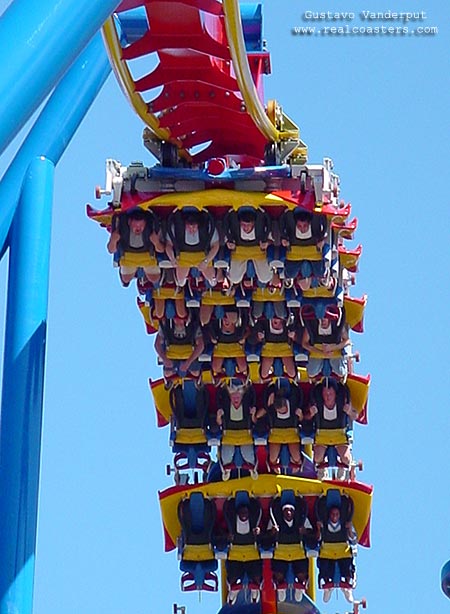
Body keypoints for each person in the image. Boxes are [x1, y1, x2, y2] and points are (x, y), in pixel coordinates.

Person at [304, 378, 358, 479]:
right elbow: (305, 418)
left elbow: (355, 416)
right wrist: (311, 414)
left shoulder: (342, 403)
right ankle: (322, 470)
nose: (328, 397)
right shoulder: (317, 404)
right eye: (325, 394)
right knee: (317, 457)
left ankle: (344, 469)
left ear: (335, 394)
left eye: (330, 394)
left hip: (339, 435)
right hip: (322, 435)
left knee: (346, 458)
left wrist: (349, 411)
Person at [269, 495, 313, 602]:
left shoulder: (301, 519)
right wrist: (273, 532)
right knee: (279, 572)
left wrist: (305, 531)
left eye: (290, 511)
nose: (288, 513)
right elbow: (267, 534)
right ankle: (280, 586)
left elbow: (311, 531)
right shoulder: (276, 520)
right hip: (281, 551)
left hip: (298, 550)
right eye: (286, 511)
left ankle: (300, 585)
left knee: (301, 571)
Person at [107, 208, 165, 286]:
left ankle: (156, 276)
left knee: (154, 278)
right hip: (127, 258)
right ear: (129, 222)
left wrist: (156, 242)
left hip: (148, 257)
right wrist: (113, 240)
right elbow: (111, 250)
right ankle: (129, 275)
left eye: (141, 225)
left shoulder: (152, 226)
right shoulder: (121, 226)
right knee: (126, 279)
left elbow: (161, 249)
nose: (138, 228)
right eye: (135, 225)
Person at [316, 495, 356, 603]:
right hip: (327, 551)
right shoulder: (324, 524)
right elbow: (318, 539)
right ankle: (327, 585)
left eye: (337, 514)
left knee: (347, 567)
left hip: (342, 550)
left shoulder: (346, 524)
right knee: (324, 566)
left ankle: (347, 586)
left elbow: (354, 540)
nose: (334, 516)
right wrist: (319, 529)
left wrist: (349, 530)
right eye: (333, 514)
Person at [165, 209, 219, 287]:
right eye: (189, 226)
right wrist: (172, 259)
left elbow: (215, 245)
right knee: (180, 281)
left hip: (203, 256)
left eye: (194, 226)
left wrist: (206, 261)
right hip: (182, 256)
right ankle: (183, 281)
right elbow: (168, 245)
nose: (191, 230)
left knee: (211, 278)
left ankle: (211, 279)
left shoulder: (208, 226)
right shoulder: (176, 227)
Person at [224, 498, 263, 604]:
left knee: (256, 575)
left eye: (245, 512)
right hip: (235, 553)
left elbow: (258, 507)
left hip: (252, 552)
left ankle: (255, 589)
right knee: (233, 576)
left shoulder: (253, 521)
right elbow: (227, 510)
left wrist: (258, 533)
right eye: (241, 513)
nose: (244, 515)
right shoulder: (232, 521)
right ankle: (233, 589)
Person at [216, 380, 257, 480]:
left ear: (242, 397)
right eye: (233, 397)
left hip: (245, 434)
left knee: (248, 455)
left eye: (238, 397)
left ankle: (252, 469)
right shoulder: (225, 405)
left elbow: (254, 421)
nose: (235, 399)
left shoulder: (247, 404)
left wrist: (253, 415)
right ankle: (226, 470)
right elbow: (219, 423)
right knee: (227, 455)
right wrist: (218, 416)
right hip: (228, 434)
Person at [224, 208, 276, 286]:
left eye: (248, 225)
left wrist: (267, 243)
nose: (246, 228)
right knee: (234, 279)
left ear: (253, 223)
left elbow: (271, 240)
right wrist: (229, 244)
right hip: (239, 253)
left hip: (259, 253)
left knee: (265, 278)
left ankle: (273, 270)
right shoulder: (234, 227)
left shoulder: (261, 227)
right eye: (243, 225)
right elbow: (226, 239)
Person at [279, 209, 329, 290]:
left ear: (309, 223)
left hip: (314, 254)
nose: (302, 229)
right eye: (299, 226)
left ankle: (326, 274)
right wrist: (284, 238)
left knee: (320, 272)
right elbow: (281, 221)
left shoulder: (315, 226)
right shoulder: (291, 225)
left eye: (305, 226)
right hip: (295, 254)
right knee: (290, 273)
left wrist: (322, 240)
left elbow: (324, 220)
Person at [301, 305, 351, 380]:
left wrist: (332, 348)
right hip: (317, 351)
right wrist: (320, 352)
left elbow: (347, 341)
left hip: (333, 350)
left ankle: (345, 366)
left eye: (325, 318)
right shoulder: (312, 325)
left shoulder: (337, 325)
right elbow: (304, 343)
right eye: (320, 318)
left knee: (341, 372)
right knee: (311, 373)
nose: (323, 320)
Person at [154, 314, 204, 383]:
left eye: (180, 319)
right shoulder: (166, 325)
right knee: (167, 373)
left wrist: (188, 362)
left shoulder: (193, 325)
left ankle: (197, 377)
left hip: (189, 355)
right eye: (176, 318)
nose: (178, 321)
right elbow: (157, 344)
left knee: (195, 372)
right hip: (172, 354)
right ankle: (170, 380)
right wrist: (164, 359)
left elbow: (201, 345)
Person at [208, 307, 248, 377]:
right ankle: (223, 371)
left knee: (243, 367)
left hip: (236, 348)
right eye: (225, 317)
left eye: (228, 318)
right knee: (216, 368)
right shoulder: (217, 329)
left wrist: (244, 338)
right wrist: (212, 338)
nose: (226, 320)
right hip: (221, 348)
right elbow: (208, 328)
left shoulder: (239, 330)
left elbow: (248, 330)